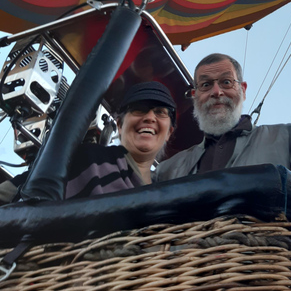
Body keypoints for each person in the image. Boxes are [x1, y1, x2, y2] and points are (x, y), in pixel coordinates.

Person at [154, 53, 291, 254]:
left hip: (273, 277)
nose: (216, 91)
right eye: (206, 84)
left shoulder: (288, 138)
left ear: (243, 90)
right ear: (195, 96)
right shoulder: (169, 169)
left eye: (226, 82)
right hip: (187, 283)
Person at [0, 81, 175, 204]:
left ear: (169, 132)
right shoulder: (89, 159)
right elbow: (15, 190)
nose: (150, 117)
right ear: (120, 125)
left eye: (160, 112)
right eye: (139, 110)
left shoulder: (166, 194)